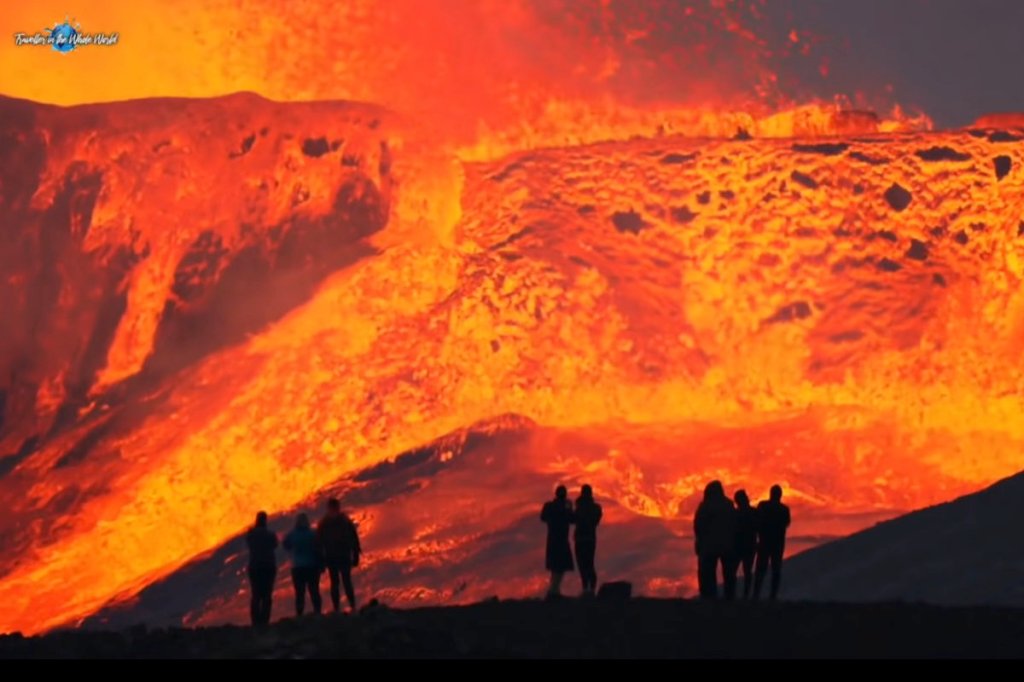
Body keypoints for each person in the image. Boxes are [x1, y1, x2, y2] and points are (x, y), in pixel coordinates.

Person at [692, 480, 737, 600]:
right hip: (727, 544)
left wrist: (699, 541)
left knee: (707, 573)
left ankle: (709, 596)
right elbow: (734, 523)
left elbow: (698, 525)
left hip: (709, 545)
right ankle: (729, 597)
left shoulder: (705, 505)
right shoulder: (729, 505)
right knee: (729, 574)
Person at [317, 498, 362, 612]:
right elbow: (354, 538)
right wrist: (356, 554)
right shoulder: (344, 520)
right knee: (346, 581)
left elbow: (319, 543)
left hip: (332, 556)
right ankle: (352, 606)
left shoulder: (324, 523)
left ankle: (337, 608)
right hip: (343, 555)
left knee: (335, 582)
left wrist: (321, 560)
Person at [753, 484, 791, 600]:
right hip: (777, 543)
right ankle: (772, 595)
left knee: (761, 569)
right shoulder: (784, 509)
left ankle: (756, 594)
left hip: (765, 541)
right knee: (775, 569)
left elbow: (757, 522)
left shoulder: (763, 506)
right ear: (780, 495)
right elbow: (787, 523)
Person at [282, 513, 323, 616]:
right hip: (312, 566)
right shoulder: (312, 533)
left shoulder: (293, 534)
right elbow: (319, 547)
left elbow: (286, 544)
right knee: (314, 590)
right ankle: (317, 612)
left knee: (300, 593)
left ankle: (299, 614)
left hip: (298, 567)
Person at [540, 485, 575, 598]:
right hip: (561, 540)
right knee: (560, 567)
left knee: (555, 567)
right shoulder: (564, 507)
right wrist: (569, 508)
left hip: (553, 539)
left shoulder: (549, 506)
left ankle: (554, 590)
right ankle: (554, 591)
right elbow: (573, 519)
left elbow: (543, 517)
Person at [245, 511, 278, 627]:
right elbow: (275, 545)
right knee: (267, 595)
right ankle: (264, 620)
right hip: (268, 567)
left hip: (255, 567)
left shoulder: (251, 535)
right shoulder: (270, 535)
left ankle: (255, 621)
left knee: (256, 595)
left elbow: (248, 542)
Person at [574, 484, 603, 596]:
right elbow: (596, 520)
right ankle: (590, 589)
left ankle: (587, 588)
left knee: (583, 564)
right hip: (589, 538)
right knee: (588, 563)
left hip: (581, 538)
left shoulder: (579, 506)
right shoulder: (595, 507)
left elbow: (574, 519)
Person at [732, 489, 758, 599]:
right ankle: (746, 594)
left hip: (738, 546)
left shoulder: (735, 514)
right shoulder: (754, 512)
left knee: (733, 570)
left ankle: (731, 594)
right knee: (747, 571)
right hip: (749, 545)